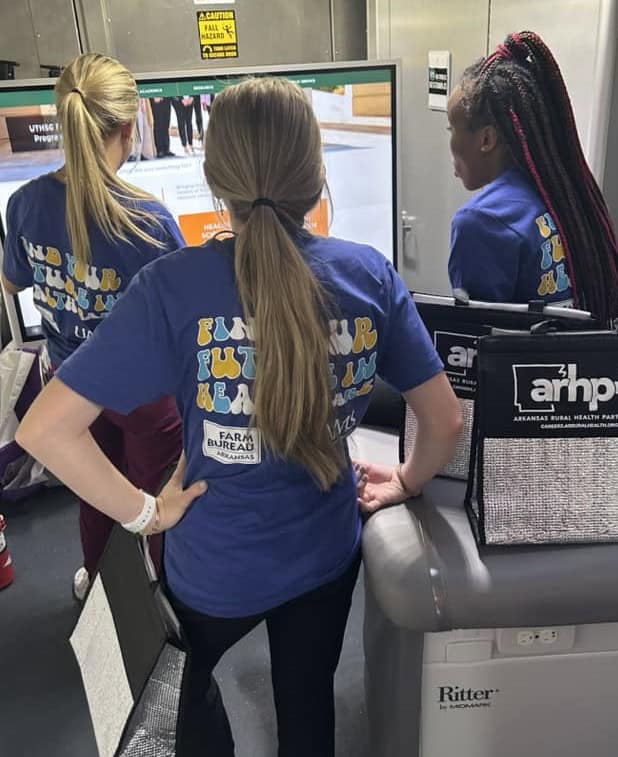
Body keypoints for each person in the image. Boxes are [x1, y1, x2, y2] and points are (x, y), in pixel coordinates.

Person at [16, 77, 462, 756]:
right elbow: (445, 420)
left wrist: (144, 512)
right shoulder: (369, 276)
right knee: (309, 706)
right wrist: (404, 478)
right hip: (323, 554)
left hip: (213, 566)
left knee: (183, 699)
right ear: (314, 176)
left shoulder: (171, 286)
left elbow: (43, 429)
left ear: (214, 178)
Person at [2, 53, 185, 598]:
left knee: (92, 485)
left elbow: (12, 283)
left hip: (67, 383)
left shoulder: (25, 203)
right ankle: (166, 592)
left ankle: (98, 582)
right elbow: (183, 322)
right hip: (143, 393)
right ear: (129, 128)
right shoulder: (148, 220)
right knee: (157, 494)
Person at [447, 31, 618, 322]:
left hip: (520, 370)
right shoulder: (570, 197)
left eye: (451, 130)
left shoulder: (481, 221)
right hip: (583, 366)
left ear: (487, 139)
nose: (450, 144)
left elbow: (472, 342)